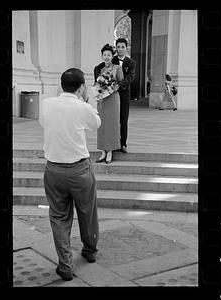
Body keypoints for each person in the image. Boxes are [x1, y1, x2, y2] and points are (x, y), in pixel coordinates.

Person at [39, 68, 101, 281]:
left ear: (61, 85)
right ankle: (90, 250)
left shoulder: (46, 104)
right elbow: (96, 124)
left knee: (58, 216)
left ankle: (65, 264)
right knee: (87, 212)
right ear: (82, 87)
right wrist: (86, 101)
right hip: (79, 170)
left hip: (54, 170)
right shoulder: (83, 107)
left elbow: (43, 123)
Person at [94, 44, 124, 164]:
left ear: (112, 56)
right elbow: (96, 84)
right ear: (102, 56)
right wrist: (98, 91)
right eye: (104, 55)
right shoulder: (99, 70)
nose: (106, 57)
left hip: (113, 98)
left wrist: (112, 87)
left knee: (112, 123)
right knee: (101, 123)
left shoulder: (117, 68)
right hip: (102, 99)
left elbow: (121, 83)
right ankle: (103, 150)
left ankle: (110, 150)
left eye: (109, 55)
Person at [111, 38, 136, 153]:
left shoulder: (131, 63)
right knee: (114, 119)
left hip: (124, 95)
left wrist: (119, 85)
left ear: (126, 48)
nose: (120, 49)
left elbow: (130, 77)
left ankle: (123, 144)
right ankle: (114, 143)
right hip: (112, 95)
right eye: (118, 47)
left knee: (123, 120)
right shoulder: (111, 60)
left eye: (122, 47)